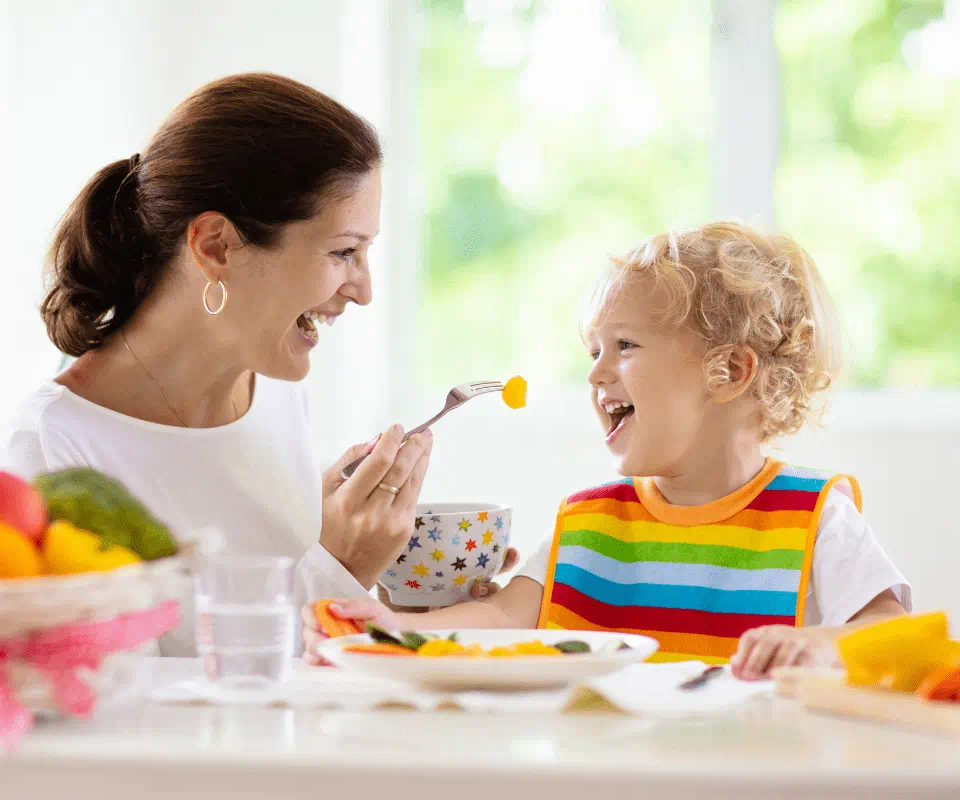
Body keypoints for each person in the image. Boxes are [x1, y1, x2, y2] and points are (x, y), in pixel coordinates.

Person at [0, 73, 511, 657]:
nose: (363, 290)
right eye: (343, 251)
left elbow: (303, 660)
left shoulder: (276, 396)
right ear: (215, 244)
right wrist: (338, 565)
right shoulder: (51, 448)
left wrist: (402, 589)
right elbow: (123, 716)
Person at [302, 221, 912, 680]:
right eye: (593, 350)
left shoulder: (815, 517)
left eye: (624, 346)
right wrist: (391, 627)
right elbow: (504, 619)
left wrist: (823, 643)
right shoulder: (589, 521)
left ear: (729, 370)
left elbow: (891, 628)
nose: (596, 375)